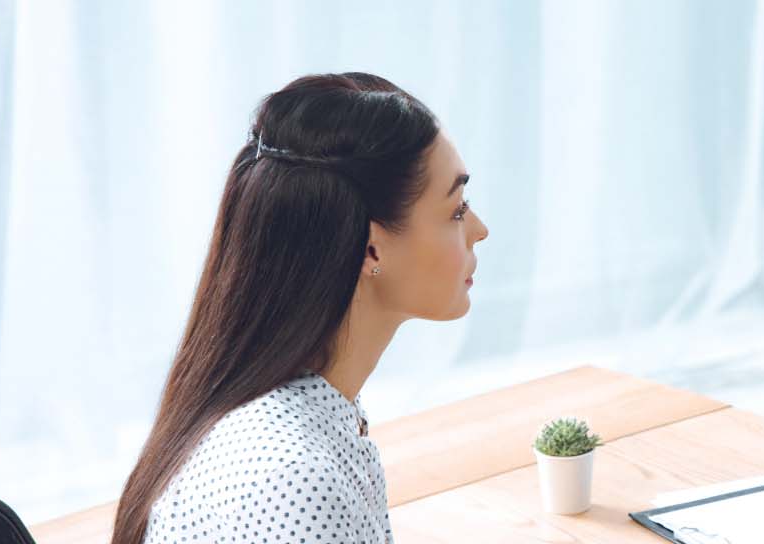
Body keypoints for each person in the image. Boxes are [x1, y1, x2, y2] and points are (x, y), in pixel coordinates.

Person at [111, 73, 490, 543]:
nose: (479, 229)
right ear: (371, 250)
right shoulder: (292, 478)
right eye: (456, 209)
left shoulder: (306, 414)